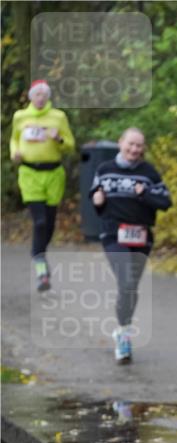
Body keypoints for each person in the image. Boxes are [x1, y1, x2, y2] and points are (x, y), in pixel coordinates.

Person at [90, 128, 172, 364]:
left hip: (141, 236)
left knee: (131, 287)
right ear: (120, 143)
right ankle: (124, 335)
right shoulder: (105, 170)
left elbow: (165, 202)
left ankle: (122, 329)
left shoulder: (149, 173)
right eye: (131, 144)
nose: (135, 149)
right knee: (125, 281)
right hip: (114, 234)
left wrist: (144, 194)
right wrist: (97, 200)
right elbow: (96, 198)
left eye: (139, 146)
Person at [9, 79, 76, 291]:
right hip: (29, 173)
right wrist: (15, 153)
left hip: (53, 174)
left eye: (43, 94)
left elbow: (71, 146)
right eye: (36, 94)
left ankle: (40, 255)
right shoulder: (20, 117)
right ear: (30, 97)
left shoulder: (58, 117)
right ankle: (41, 267)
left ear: (48, 97)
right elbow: (14, 139)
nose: (39, 98)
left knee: (48, 223)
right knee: (38, 222)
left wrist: (59, 140)